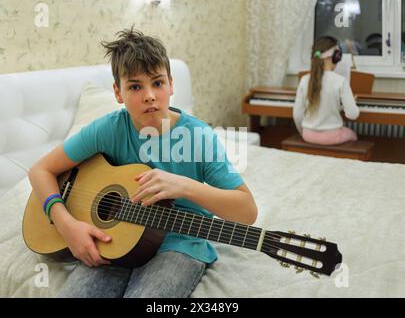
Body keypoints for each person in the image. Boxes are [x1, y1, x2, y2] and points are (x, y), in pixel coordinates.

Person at [27, 27, 258, 298]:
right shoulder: (108, 130)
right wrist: (66, 225)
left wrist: (184, 186)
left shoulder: (198, 137)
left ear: (171, 85)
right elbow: (41, 170)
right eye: (135, 86)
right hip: (112, 239)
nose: (149, 95)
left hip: (179, 243)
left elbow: (247, 212)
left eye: (157, 83)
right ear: (118, 92)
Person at [293, 36, 360, 146]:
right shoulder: (340, 81)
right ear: (334, 56)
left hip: (307, 135)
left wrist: (303, 132)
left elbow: (297, 115)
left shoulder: (304, 80)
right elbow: (353, 114)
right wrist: (352, 104)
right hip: (332, 137)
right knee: (353, 135)